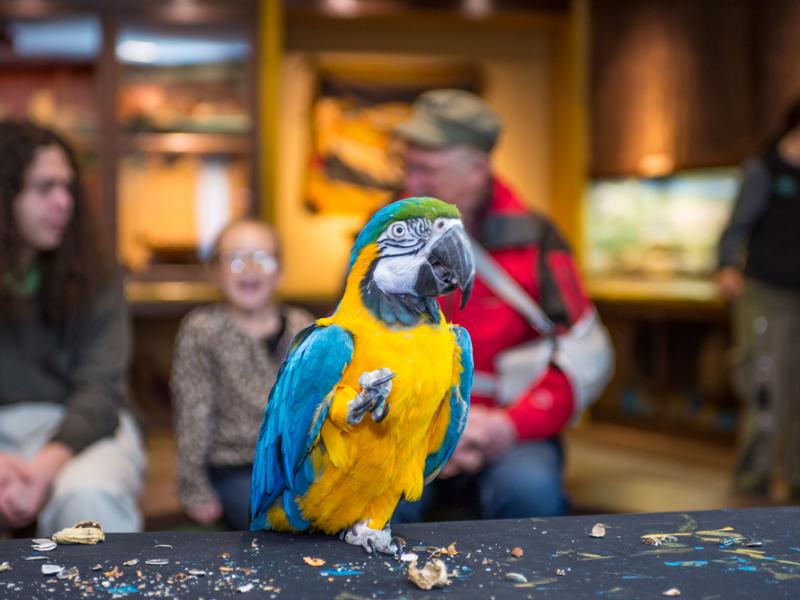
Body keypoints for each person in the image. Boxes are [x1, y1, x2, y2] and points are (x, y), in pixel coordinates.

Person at [391, 89, 602, 522]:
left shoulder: (537, 238)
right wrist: (426, 433)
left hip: (510, 427)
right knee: (376, 513)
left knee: (531, 498)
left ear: (477, 170)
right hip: (403, 431)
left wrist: (509, 427)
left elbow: (584, 352)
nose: (412, 184)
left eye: (427, 170)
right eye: (408, 167)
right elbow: (351, 345)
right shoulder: (384, 235)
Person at [0, 120, 146, 536]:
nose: (64, 202)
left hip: (83, 430)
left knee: (87, 497)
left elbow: (100, 389)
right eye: (44, 188)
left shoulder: (97, 273)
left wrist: (42, 470)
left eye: (68, 187)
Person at [170, 219, 314, 530]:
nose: (249, 267)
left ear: (280, 271)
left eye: (262, 258)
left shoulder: (303, 327)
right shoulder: (202, 330)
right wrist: (193, 486)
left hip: (295, 464)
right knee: (276, 521)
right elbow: (193, 413)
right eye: (234, 258)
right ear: (215, 273)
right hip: (235, 465)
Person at [716, 100, 800, 500]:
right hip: (767, 294)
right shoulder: (764, 169)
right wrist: (727, 265)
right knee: (765, 384)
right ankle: (754, 478)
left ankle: (795, 477)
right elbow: (737, 226)